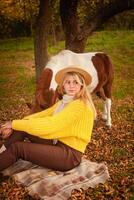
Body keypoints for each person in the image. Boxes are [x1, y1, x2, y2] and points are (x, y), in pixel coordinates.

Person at [0, 65, 96, 172]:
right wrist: (16, 123)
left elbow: (51, 125)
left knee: (17, 148)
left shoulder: (79, 105)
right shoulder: (64, 102)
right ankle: (2, 152)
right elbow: (43, 115)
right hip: (57, 143)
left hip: (69, 155)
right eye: (68, 82)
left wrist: (14, 124)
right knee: (22, 128)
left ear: (82, 85)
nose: (71, 86)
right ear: (63, 85)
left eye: (76, 82)